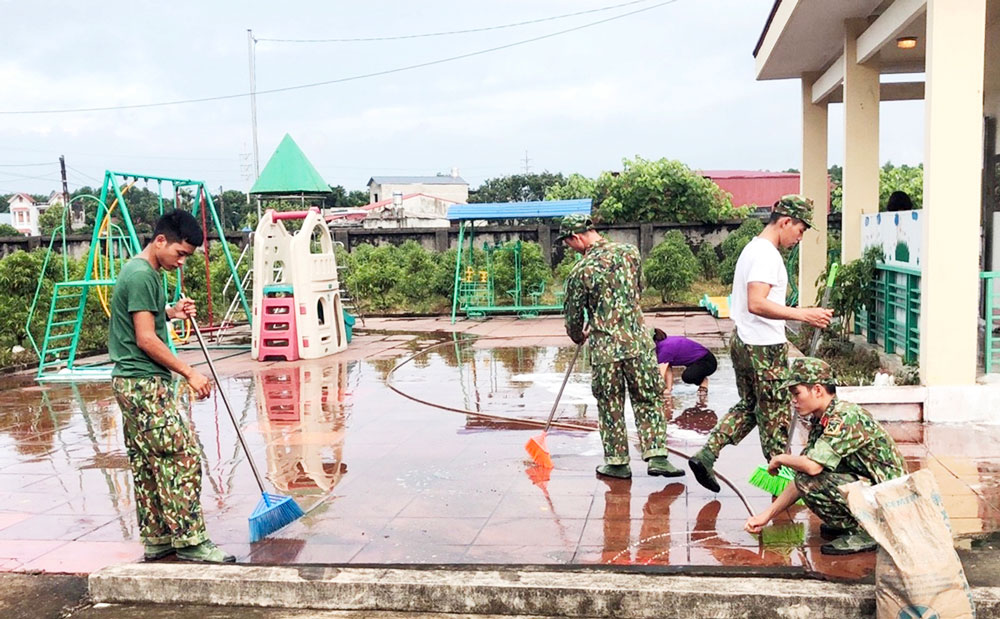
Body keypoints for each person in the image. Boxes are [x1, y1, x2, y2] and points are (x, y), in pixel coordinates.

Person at [109, 210, 235, 563]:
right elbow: (146, 340)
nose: (181, 263)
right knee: (182, 455)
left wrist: (171, 312)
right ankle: (191, 540)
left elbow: (144, 317)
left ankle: (159, 538)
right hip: (144, 382)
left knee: (148, 461)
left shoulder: (145, 271)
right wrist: (189, 372)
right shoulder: (141, 276)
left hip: (130, 382)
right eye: (180, 254)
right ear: (160, 241)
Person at [688, 195, 833, 493]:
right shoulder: (767, 254)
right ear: (785, 222)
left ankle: (707, 454)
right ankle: (782, 490)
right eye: (801, 230)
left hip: (744, 341)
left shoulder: (752, 249)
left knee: (749, 406)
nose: (800, 237)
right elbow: (757, 302)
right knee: (776, 416)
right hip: (764, 347)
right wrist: (803, 315)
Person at [559, 213, 683, 480]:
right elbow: (636, 290)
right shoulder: (630, 253)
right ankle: (657, 456)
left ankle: (617, 463)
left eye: (568, 243)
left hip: (606, 351)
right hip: (638, 344)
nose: (570, 248)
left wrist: (579, 335)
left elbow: (572, 316)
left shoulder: (579, 271)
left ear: (576, 237)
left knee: (610, 404)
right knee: (648, 398)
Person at [743, 358, 905, 555]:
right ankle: (855, 523)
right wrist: (765, 516)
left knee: (810, 478)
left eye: (797, 393)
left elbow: (811, 468)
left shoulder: (845, 417)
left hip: (893, 502)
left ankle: (868, 531)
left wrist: (779, 458)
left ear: (817, 390)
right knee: (806, 477)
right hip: (875, 493)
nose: (793, 400)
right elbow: (803, 472)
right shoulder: (823, 419)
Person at [651, 327, 717, 394]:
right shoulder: (664, 343)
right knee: (689, 373)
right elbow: (667, 370)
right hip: (698, 362)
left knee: (687, 376)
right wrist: (668, 389)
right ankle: (701, 379)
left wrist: (654, 390)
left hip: (707, 362)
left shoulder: (665, 349)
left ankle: (703, 381)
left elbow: (661, 373)